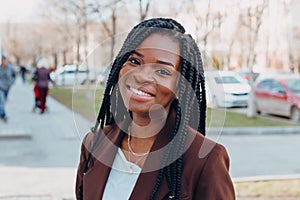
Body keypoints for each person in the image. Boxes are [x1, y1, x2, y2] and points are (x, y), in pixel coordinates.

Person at [75, 18, 235, 199]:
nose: (142, 76)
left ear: (180, 88)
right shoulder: (94, 144)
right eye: (135, 61)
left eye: (162, 71)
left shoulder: (204, 160)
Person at [0, 55, 16, 122]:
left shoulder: (10, 68)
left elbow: (14, 75)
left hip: (7, 87)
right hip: (0, 87)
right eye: (3, 60)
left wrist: (12, 82)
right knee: (2, 101)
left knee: (4, 101)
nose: (4, 62)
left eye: (5, 60)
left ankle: (1, 113)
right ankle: (3, 115)